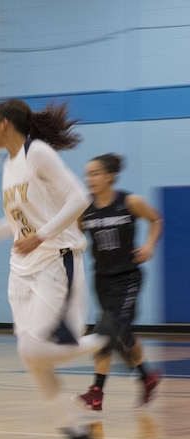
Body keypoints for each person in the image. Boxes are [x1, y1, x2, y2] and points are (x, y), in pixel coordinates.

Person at [0, 99, 126, 439]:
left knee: (33, 351)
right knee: (33, 358)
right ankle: (77, 435)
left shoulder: (37, 153)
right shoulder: (9, 165)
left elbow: (79, 198)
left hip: (56, 262)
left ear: (5, 124)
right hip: (22, 270)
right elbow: (21, 221)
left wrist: (42, 236)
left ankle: (106, 336)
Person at [74, 153, 163, 411]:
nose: (90, 179)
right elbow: (74, 237)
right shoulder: (84, 209)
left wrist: (149, 245)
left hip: (128, 278)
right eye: (88, 174)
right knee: (118, 334)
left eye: (95, 173)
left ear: (110, 176)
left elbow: (156, 219)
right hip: (101, 280)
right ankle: (147, 377)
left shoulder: (130, 201)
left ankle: (96, 392)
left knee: (107, 331)